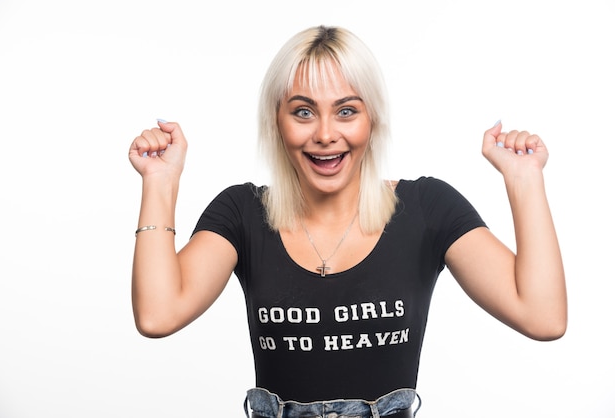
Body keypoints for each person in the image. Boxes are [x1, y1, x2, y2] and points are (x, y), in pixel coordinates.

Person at [128, 25, 567, 418]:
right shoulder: (242, 212)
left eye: (346, 111)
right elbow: (157, 315)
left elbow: (543, 317)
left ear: (371, 119)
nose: (324, 133)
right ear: (277, 123)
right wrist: (161, 182)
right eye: (302, 111)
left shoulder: (427, 207)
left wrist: (524, 179)